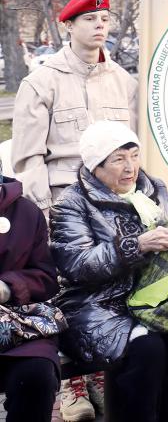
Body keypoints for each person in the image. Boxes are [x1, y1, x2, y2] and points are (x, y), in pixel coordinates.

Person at [11, 0, 137, 421]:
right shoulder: (42, 81)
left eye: (104, 18)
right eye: (89, 19)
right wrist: (42, 214)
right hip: (62, 198)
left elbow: (133, 151)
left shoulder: (123, 79)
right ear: (68, 26)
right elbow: (28, 158)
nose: (99, 25)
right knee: (64, 292)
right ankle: (72, 386)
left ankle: (101, 373)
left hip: (112, 202)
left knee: (109, 289)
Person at [49, 121, 168, 422]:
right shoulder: (71, 204)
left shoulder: (153, 189)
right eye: (118, 159)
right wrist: (136, 245)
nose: (130, 167)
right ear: (96, 166)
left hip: (157, 295)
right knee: (145, 348)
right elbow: (77, 264)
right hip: (98, 303)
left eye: (134, 156)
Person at [0, 173, 61, 422]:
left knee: (37, 374)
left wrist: (8, 287)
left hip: (18, 328)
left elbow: (46, 277)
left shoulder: (25, 212)